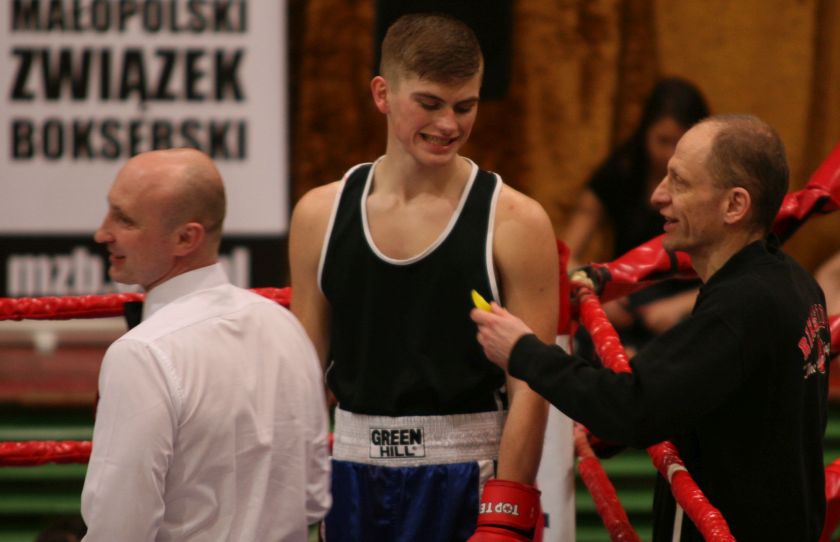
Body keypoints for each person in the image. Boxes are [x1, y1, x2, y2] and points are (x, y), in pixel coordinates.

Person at [472, 115, 829, 540]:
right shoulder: (792, 281)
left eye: (680, 182)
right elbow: (708, 397)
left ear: (734, 205)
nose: (658, 196)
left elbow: (631, 408)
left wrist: (521, 351)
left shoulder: (742, 307)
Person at [289, 13, 559, 542]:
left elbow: (530, 381)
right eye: (430, 104)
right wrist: (293, 493)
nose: (449, 125)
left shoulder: (515, 221)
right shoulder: (320, 215)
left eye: (465, 106)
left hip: (469, 476)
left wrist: (507, 508)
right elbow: (306, 371)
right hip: (351, 477)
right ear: (382, 94)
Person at [82, 148, 331, 541]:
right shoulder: (285, 327)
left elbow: (118, 529)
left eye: (124, 219)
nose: (102, 232)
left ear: (186, 238)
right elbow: (313, 499)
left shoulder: (142, 354)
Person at [566, 78, 710, 353]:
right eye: (663, 141)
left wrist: (680, 306)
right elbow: (567, 256)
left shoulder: (712, 189)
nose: (670, 156)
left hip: (688, 309)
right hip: (625, 300)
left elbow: (739, 278)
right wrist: (596, 293)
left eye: (680, 144)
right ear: (645, 133)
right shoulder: (622, 171)